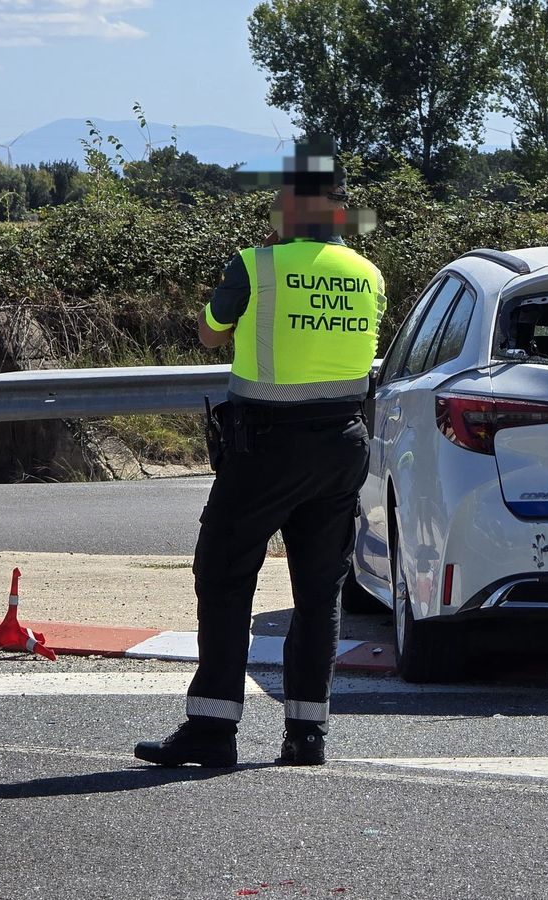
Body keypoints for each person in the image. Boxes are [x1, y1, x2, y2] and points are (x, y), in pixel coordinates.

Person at [135, 139, 384, 768]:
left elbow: (210, 330)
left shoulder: (256, 265)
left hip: (267, 444)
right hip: (342, 445)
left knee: (223, 574)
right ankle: (307, 734)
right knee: (318, 593)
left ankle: (213, 728)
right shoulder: (367, 272)